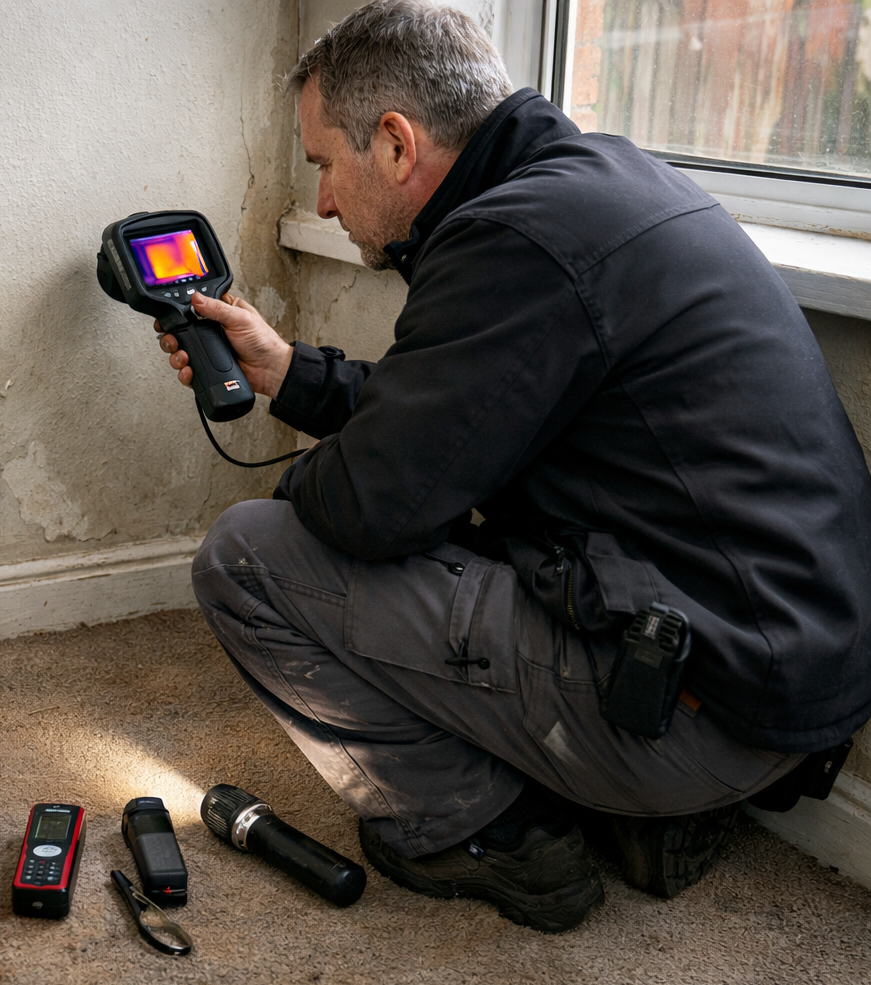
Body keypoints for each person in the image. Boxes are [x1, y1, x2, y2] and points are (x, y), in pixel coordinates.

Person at [159, 0, 871, 933]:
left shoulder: (513, 242)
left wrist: (315, 485)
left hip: (707, 710)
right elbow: (462, 408)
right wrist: (293, 375)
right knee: (460, 515)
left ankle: (488, 831)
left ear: (399, 145)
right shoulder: (593, 182)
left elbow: (372, 506)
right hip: (772, 674)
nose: (324, 200)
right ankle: (625, 799)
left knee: (251, 556)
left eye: (326, 164)